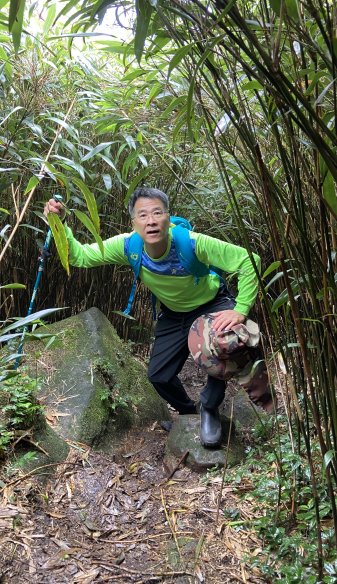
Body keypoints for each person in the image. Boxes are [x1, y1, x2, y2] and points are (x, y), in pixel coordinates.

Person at [44, 187, 272, 448]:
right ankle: (189, 413)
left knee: (224, 343)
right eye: (142, 215)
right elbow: (80, 256)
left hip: (211, 304)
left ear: (167, 217)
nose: (150, 221)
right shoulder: (129, 246)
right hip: (174, 313)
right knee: (158, 376)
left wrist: (240, 310)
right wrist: (58, 224)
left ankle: (209, 405)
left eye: (157, 213)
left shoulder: (192, 243)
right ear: (134, 223)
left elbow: (248, 260)